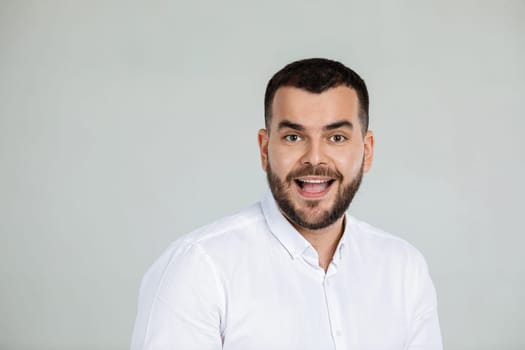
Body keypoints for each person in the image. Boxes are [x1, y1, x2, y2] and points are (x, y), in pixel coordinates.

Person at [130, 58, 443, 350]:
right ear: (265, 149)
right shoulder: (199, 269)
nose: (315, 158)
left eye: (336, 138)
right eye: (294, 137)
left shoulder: (404, 269)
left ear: (368, 150)